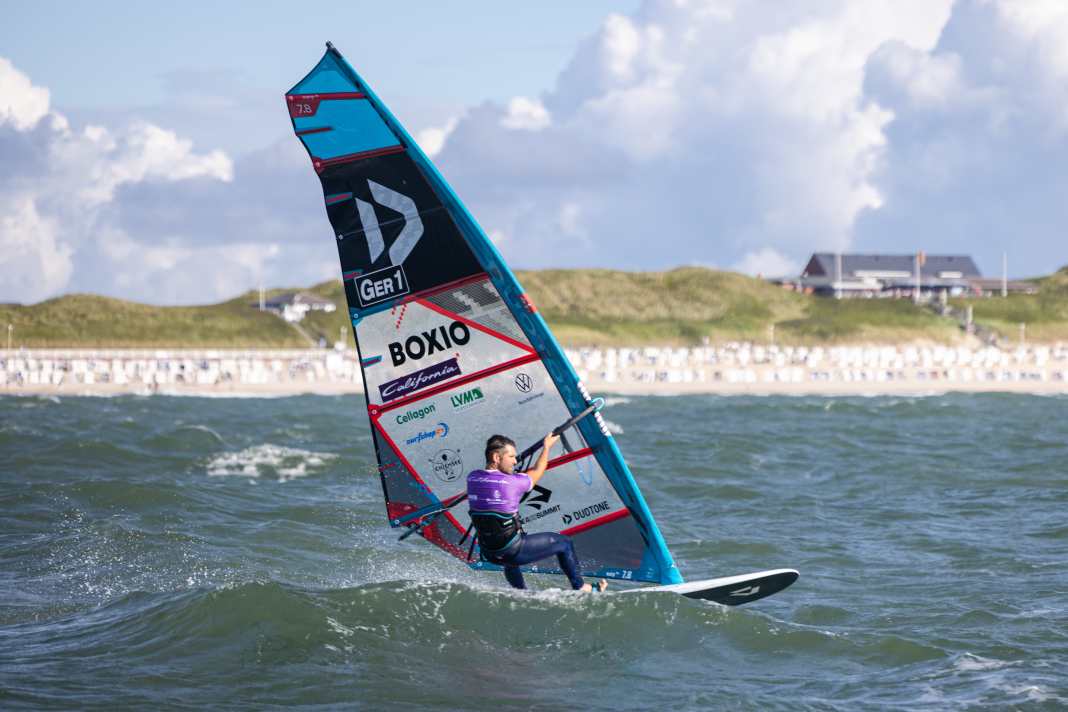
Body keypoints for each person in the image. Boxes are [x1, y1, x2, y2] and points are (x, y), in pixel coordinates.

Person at [467, 433, 607, 592]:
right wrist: (546, 447)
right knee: (564, 543)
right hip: (513, 550)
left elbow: (493, 482)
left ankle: (521, 592)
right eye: (511, 456)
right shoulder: (514, 482)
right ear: (496, 457)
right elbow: (538, 469)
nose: (515, 461)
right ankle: (581, 587)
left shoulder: (472, 478)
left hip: (490, 552)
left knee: (509, 555)